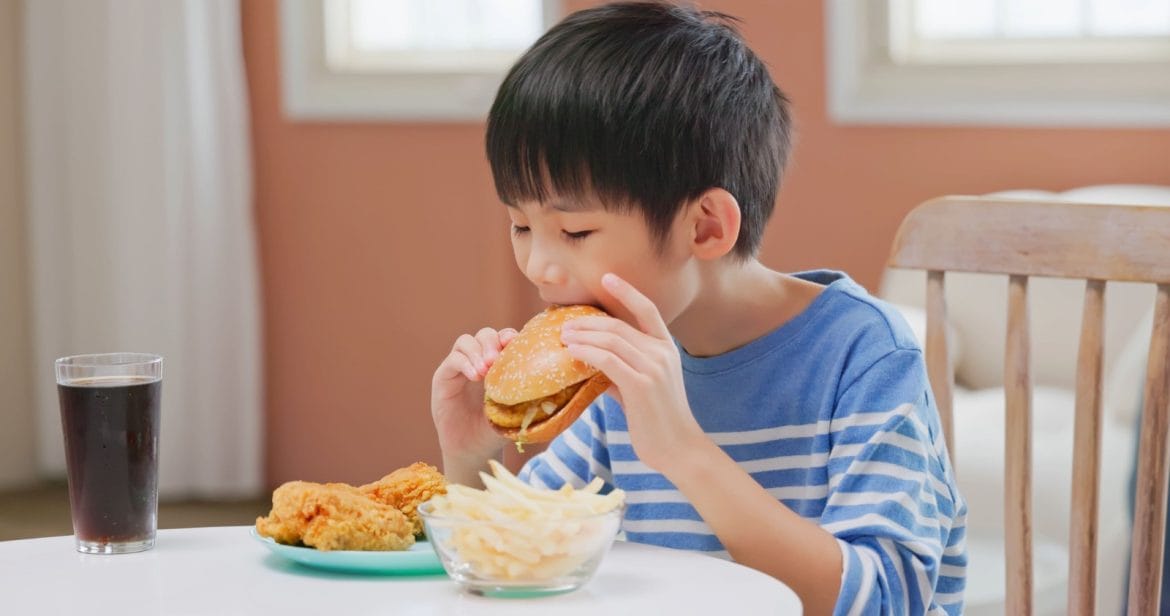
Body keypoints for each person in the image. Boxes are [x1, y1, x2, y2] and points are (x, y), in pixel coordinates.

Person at [429, 3, 967, 613]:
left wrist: (683, 451)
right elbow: (519, 560)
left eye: (575, 232)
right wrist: (471, 456)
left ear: (706, 227)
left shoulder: (861, 353)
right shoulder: (616, 371)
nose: (538, 267)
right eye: (520, 225)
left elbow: (884, 601)